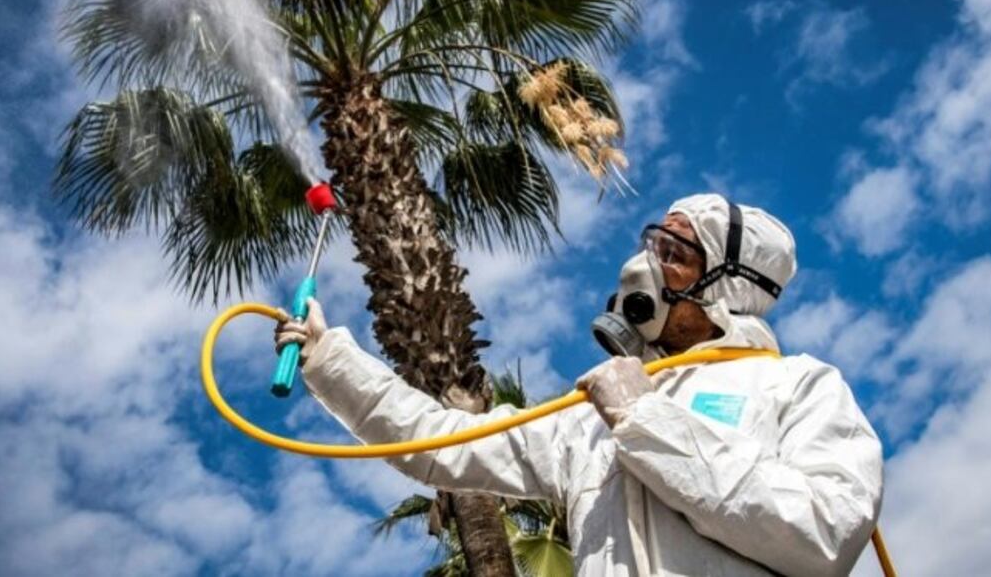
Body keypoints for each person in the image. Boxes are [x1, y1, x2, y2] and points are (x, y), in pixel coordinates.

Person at [276, 194, 883, 576]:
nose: (644, 265)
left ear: (729, 288)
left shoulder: (797, 386)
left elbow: (822, 532)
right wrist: (331, 359)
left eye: (674, 253)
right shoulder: (588, 422)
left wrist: (647, 422)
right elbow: (442, 441)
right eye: (651, 243)